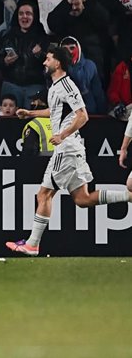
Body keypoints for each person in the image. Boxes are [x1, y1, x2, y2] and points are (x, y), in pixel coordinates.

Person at [7, 47, 132, 256]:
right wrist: (30, 113)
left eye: (48, 59)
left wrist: (63, 135)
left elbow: (83, 115)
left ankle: (32, 244)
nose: (44, 63)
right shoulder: (56, 86)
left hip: (66, 149)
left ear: (58, 63)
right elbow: (55, 111)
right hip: (71, 148)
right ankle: (128, 197)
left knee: (44, 194)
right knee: (82, 199)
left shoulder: (66, 85)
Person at [21, 91, 53, 157]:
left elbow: (29, 151)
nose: (31, 103)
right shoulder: (63, 121)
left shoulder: (35, 124)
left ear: (43, 103)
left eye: (34, 101)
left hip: (43, 164)